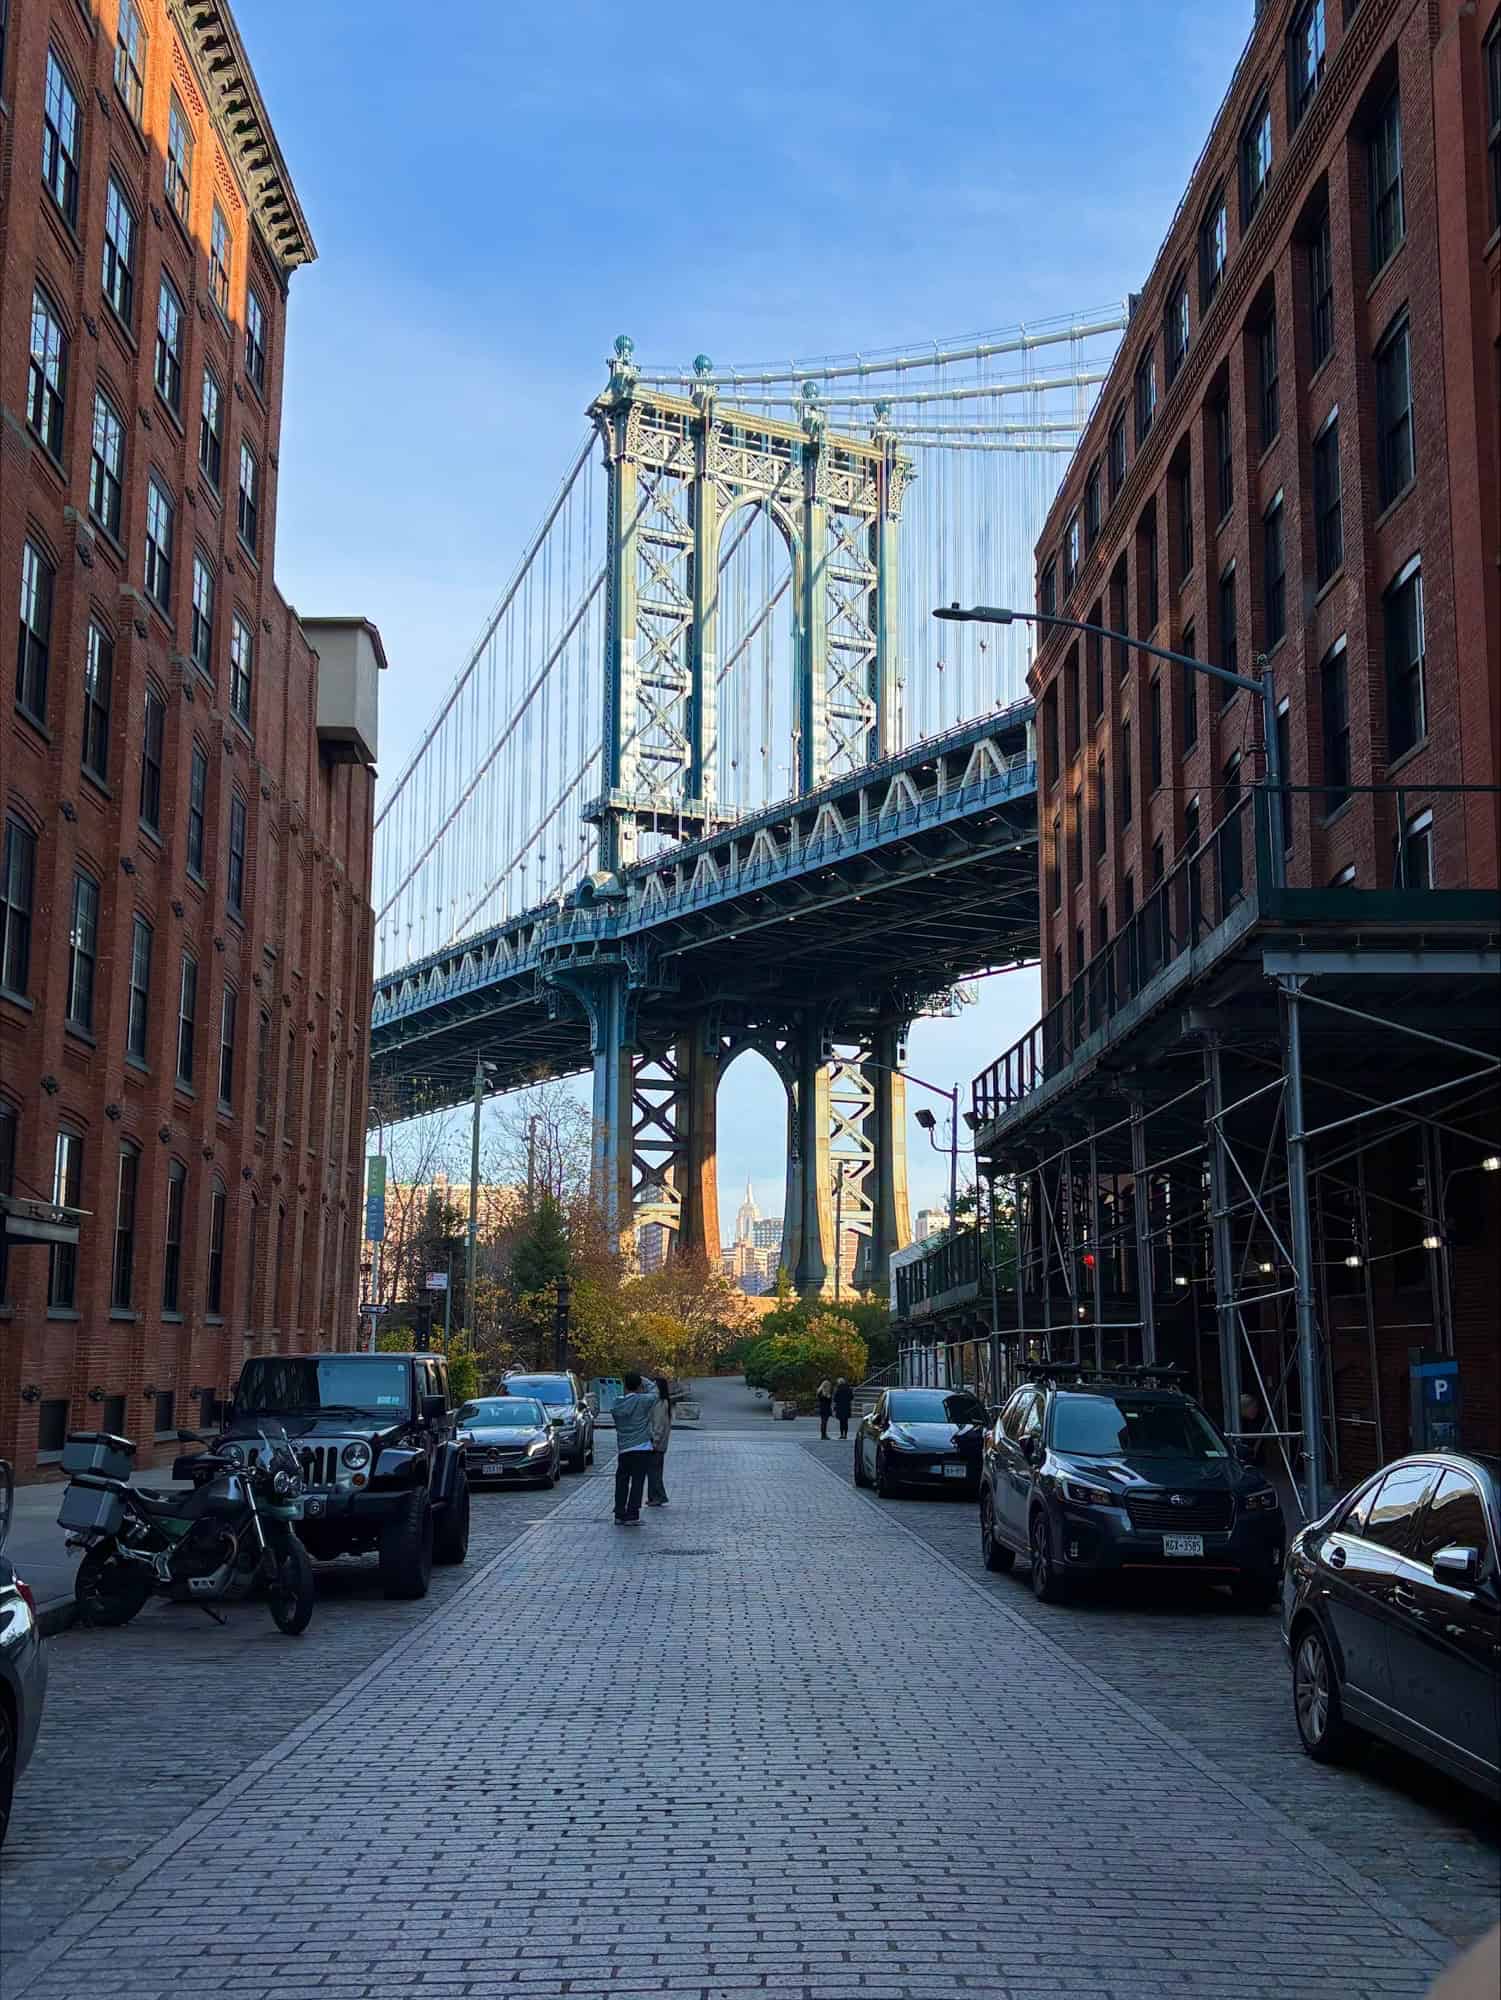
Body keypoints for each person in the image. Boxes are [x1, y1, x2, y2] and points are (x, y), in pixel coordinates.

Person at [611, 1370, 658, 1526]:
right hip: (641, 1447)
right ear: (639, 1386)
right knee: (637, 1481)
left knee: (622, 1480)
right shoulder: (642, 1401)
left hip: (623, 1448)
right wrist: (645, 1379)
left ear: (624, 1385)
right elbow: (655, 1392)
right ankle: (632, 1514)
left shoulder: (617, 1403)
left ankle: (619, 1513)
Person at [646, 1374, 673, 1506]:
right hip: (659, 1443)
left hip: (657, 1443)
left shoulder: (660, 1403)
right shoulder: (662, 1402)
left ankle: (658, 1496)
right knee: (654, 1470)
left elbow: (659, 1424)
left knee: (654, 1471)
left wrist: (654, 1441)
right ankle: (654, 1496)